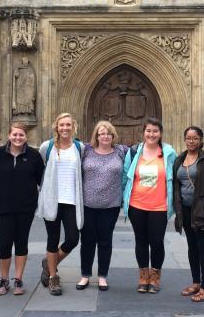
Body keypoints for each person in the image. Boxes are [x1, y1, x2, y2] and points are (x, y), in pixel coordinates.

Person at [123, 117, 177, 293]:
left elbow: (176, 177)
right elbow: (125, 176)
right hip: (136, 205)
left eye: (155, 131)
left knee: (156, 242)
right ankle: (143, 276)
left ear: (160, 133)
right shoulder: (134, 152)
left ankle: (155, 277)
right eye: (148, 131)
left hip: (159, 207)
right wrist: (123, 199)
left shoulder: (169, 153)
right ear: (143, 132)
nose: (151, 134)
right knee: (141, 241)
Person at [0, 122, 44, 296]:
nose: (18, 138)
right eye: (15, 134)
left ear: (26, 137)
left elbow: (40, 180)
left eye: (21, 135)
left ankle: (18, 279)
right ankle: (4, 279)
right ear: (9, 135)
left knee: (21, 243)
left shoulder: (34, 155)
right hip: (3, 206)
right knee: (4, 243)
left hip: (25, 207)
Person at [37, 112, 85, 296]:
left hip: (71, 200)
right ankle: (53, 277)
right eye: (61, 125)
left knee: (73, 238)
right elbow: (40, 169)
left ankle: (49, 262)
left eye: (68, 125)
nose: (65, 128)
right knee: (53, 237)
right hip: (52, 199)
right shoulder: (46, 147)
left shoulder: (79, 147)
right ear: (56, 127)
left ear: (73, 126)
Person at [173, 126, 204, 302]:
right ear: (185, 139)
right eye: (188, 138)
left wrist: (202, 206)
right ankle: (195, 282)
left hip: (202, 211)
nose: (191, 141)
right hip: (185, 211)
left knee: (202, 248)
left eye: (195, 138)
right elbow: (177, 184)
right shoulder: (180, 158)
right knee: (192, 247)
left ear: (200, 140)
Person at [76, 121, 125, 292]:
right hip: (87, 204)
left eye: (108, 133)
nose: (105, 136)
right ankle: (85, 275)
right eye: (101, 133)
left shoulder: (121, 151)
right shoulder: (86, 151)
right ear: (96, 136)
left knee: (105, 241)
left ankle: (102, 276)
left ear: (113, 136)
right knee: (87, 241)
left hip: (110, 205)